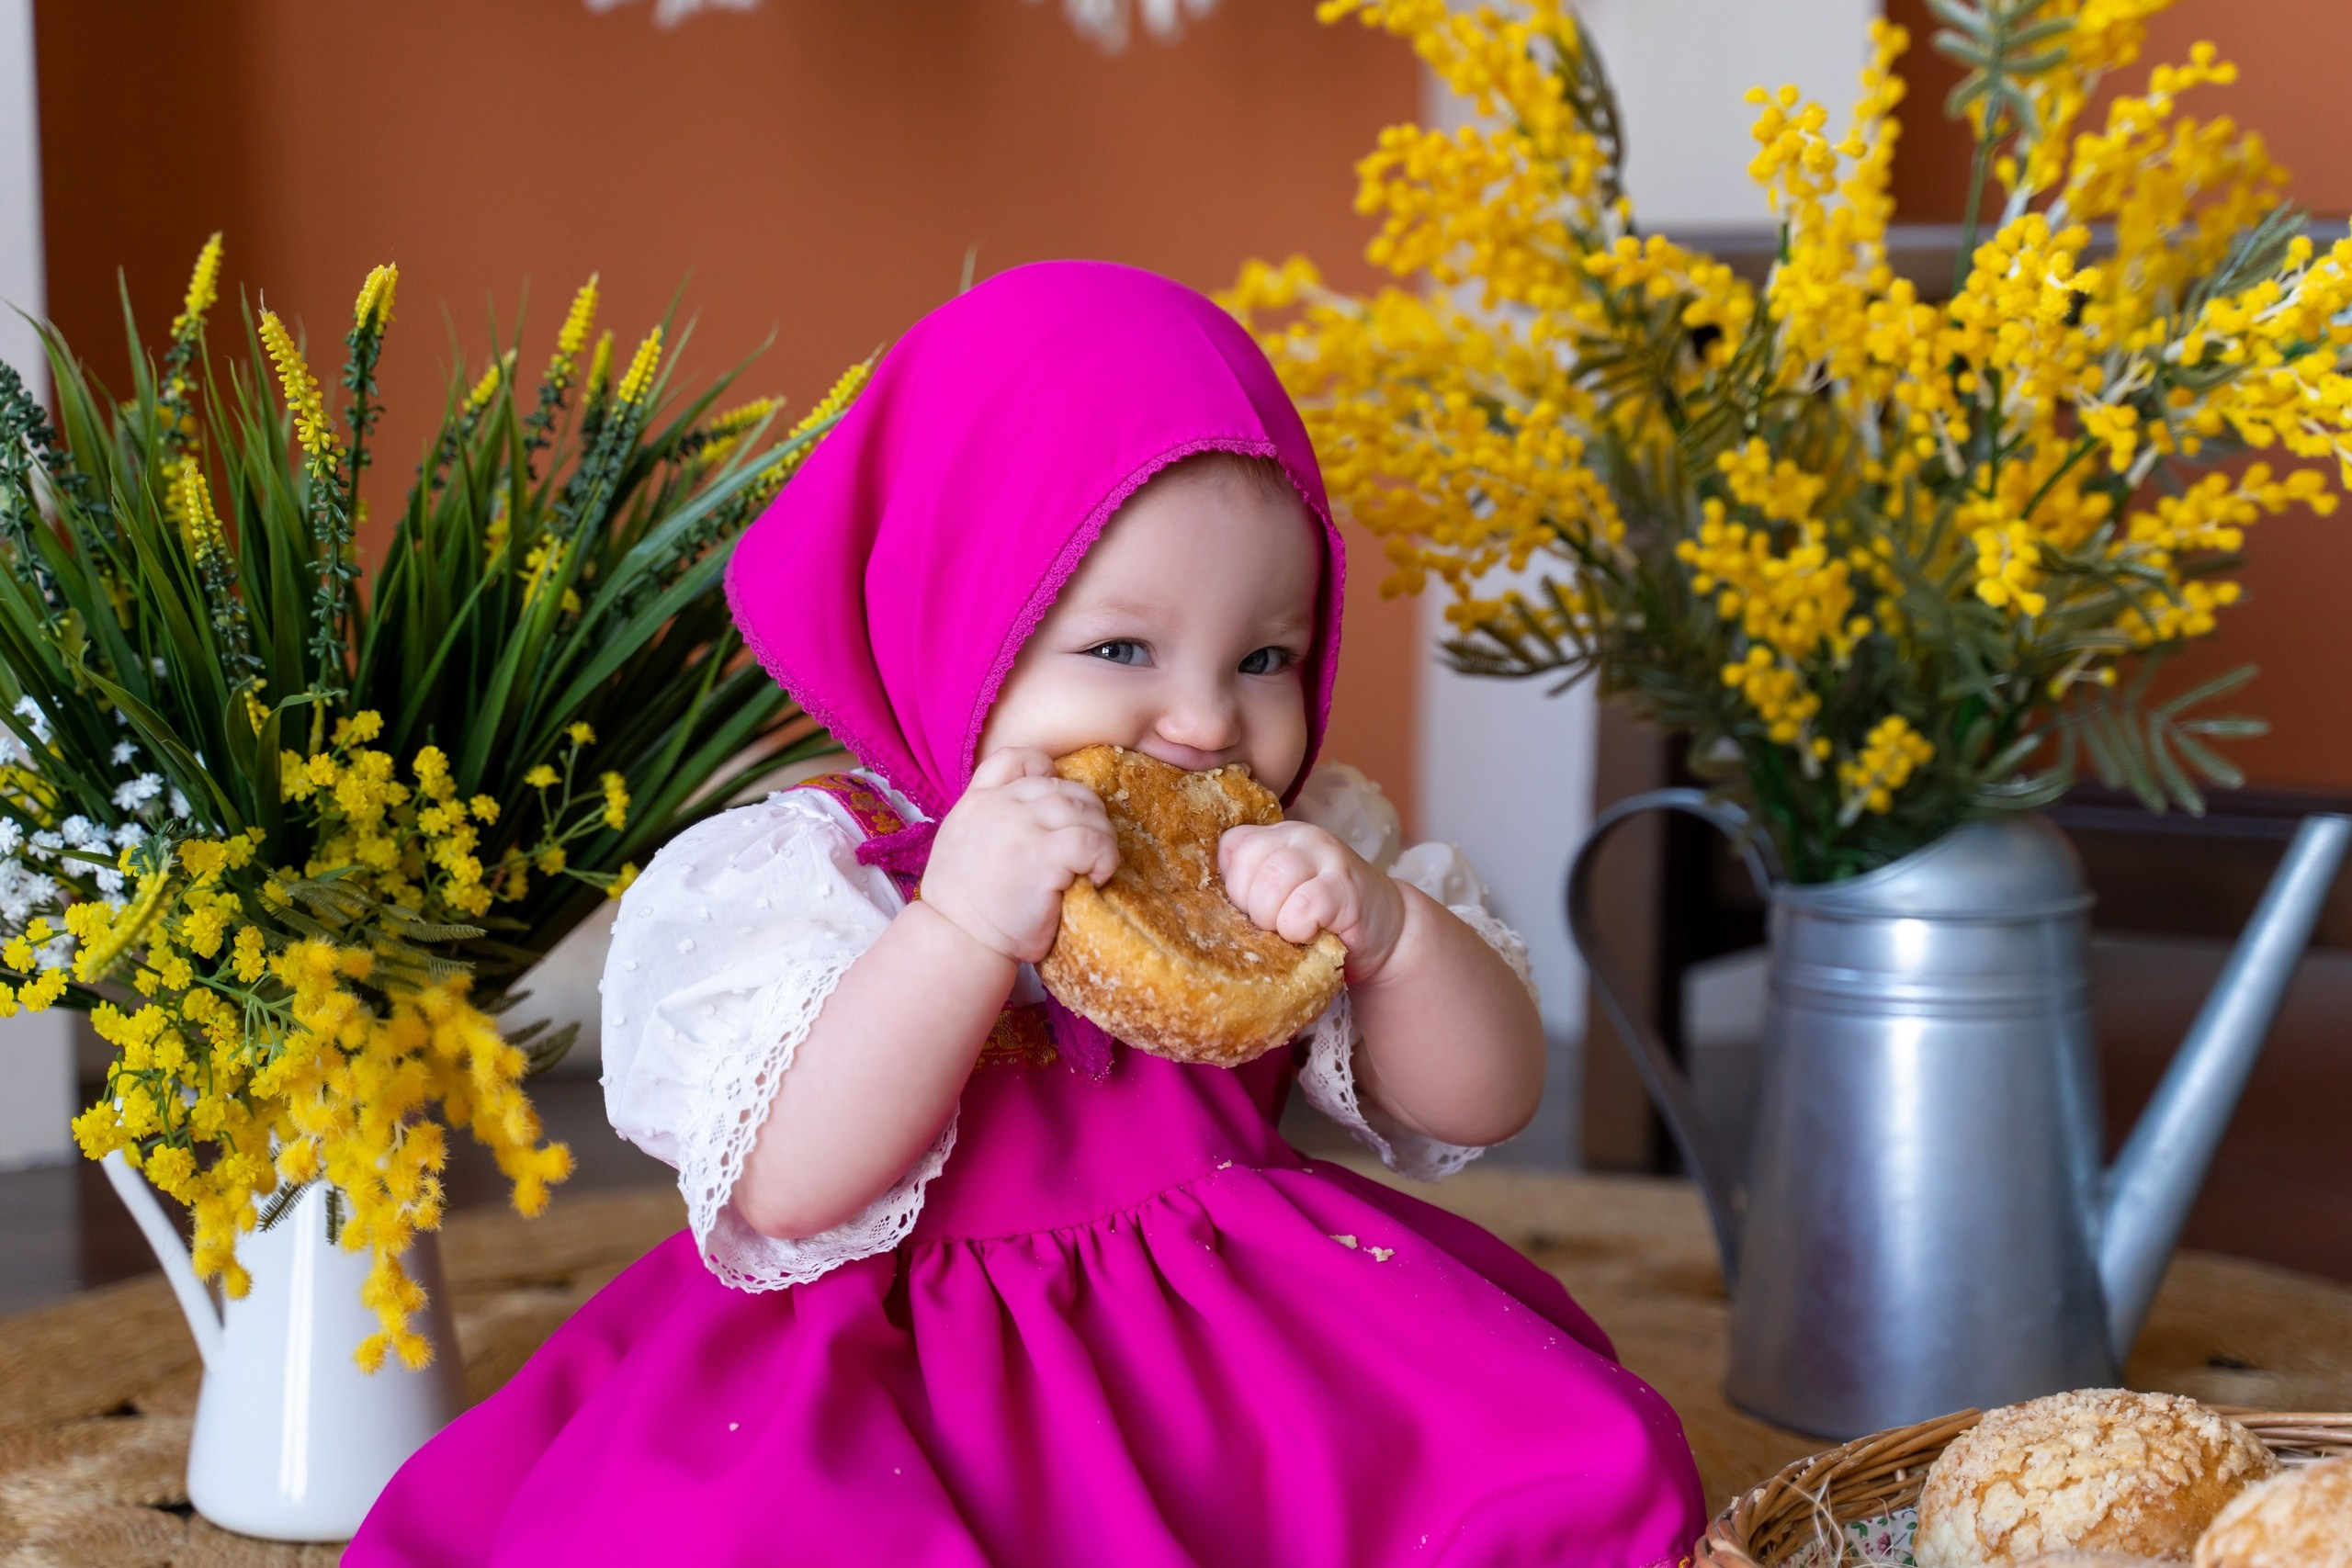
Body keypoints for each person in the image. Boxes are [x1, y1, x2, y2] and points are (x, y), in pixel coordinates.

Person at [348, 261, 1703, 1567]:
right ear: (956, 625)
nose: (1202, 719)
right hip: (885, 1361)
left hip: (1234, 1338)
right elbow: (791, 1183)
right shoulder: (826, 864)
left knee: (1555, 1461)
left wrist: (1393, 937)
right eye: (1121, 650)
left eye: (1266, 657)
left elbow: (1485, 1102)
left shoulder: (1290, 851)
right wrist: (955, 934)